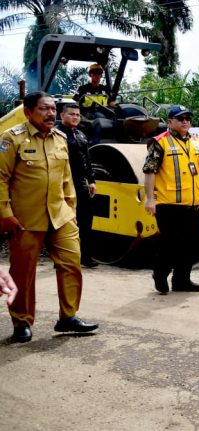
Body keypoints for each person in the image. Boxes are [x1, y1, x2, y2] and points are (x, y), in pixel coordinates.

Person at [0, 91, 99, 343]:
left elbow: (66, 178)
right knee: (23, 272)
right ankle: (21, 321)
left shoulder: (60, 139)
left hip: (60, 216)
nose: (51, 114)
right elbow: (0, 179)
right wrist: (5, 214)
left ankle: (68, 317)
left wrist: (71, 209)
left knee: (71, 262)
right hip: (25, 219)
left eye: (53, 109)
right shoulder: (11, 140)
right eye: (44, 109)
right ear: (28, 112)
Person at [143, 105, 199, 295]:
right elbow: (150, 171)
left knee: (192, 245)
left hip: (193, 205)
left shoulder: (197, 142)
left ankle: (182, 280)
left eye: (187, 118)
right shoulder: (160, 143)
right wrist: (149, 199)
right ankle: (160, 274)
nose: (185, 121)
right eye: (180, 118)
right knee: (170, 246)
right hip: (169, 206)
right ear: (170, 122)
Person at [58, 103, 98, 268]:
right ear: (62, 116)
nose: (75, 117)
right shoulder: (56, 134)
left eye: (77, 115)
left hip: (80, 182)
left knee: (86, 218)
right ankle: (61, 257)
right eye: (72, 114)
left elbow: (87, 160)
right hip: (61, 182)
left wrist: (92, 180)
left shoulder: (80, 134)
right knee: (63, 221)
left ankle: (85, 256)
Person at [74, 63, 114, 146]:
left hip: (103, 112)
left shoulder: (105, 89)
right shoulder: (83, 88)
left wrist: (119, 107)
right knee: (100, 117)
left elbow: (111, 103)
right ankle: (95, 143)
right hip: (88, 113)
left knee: (116, 117)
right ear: (90, 75)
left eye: (99, 74)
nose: (97, 76)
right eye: (95, 73)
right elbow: (76, 103)